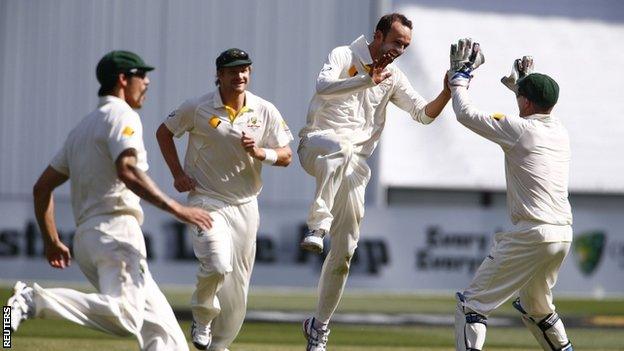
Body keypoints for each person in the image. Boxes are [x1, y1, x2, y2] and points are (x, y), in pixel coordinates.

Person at [6, 50, 214, 350]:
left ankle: (25, 305)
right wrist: (178, 209)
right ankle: (33, 300)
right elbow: (127, 170)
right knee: (125, 317)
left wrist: (51, 239)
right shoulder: (122, 115)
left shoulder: (82, 128)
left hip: (88, 238)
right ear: (122, 79)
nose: (147, 82)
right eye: (141, 75)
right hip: (117, 233)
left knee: (166, 338)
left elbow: (42, 189)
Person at [298, 13, 452, 350]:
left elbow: (423, 114)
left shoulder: (393, 77)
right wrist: (367, 79)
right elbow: (322, 87)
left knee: (345, 253)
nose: (400, 50)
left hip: (355, 167)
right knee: (339, 146)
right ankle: (317, 225)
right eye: (396, 42)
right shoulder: (344, 55)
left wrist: (448, 90)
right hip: (316, 145)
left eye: (406, 46)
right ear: (378, 35)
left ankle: (318, 327)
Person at [156, 48, 293, 351]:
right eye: (232, 71)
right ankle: (203, 317)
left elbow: (286, 156)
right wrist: (178, 174)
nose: (239, 76)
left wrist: (260, 153)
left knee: (238, 288)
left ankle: (220, 345)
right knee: (218, 264)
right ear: (219, 75)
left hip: (246, 204)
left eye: (244, 70)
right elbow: (164, 133)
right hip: (206, 199)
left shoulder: (264, 109)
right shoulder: (198, 107)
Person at [447, 40, 574, 351]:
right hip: (562, 235)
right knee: (537, 309)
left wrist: (459, 76)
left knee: (471, 306)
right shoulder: (559, 130)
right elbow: (534, 106)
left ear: (526, 103)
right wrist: (521, 84)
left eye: (521, 97)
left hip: (532, 233)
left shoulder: (518, 129)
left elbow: (465, 114)